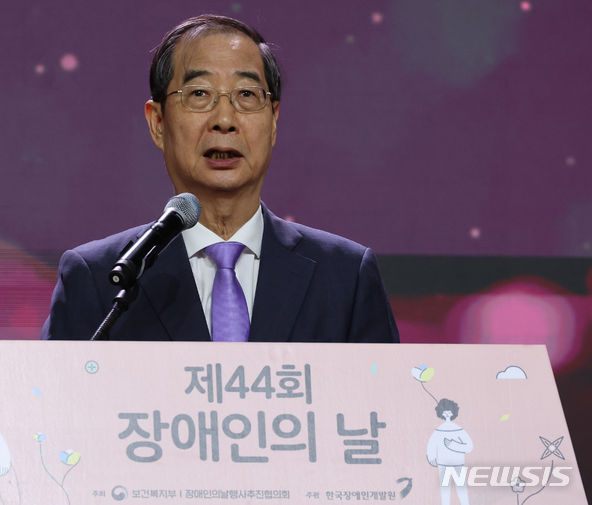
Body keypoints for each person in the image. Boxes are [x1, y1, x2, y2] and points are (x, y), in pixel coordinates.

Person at [41, 14, 399, 343]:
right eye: (199, 94)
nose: (224, 120)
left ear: (274, 121)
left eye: (247, 95)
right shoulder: (98, 278)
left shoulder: (346, 277)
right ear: (158, 123)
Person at [426, 398, 473, 505]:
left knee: (461, 487)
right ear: (441, 413)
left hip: (458, 464)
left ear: (453, 412)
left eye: (449, 411)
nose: (447, 414)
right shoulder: (438, 431)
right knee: (445, 489)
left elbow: (469, 446)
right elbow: (431, 445)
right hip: (443, 464)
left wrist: (452, 445)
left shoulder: (458, 430)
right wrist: (431, 458)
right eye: (444, 412)